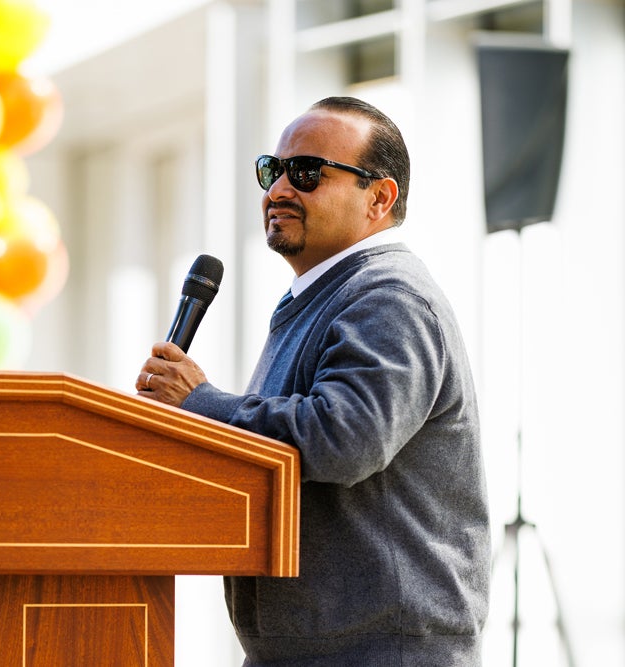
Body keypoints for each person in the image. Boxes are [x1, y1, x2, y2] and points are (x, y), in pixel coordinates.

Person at [136, 96, 490, 666]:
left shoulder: (389, 298)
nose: (277, 191)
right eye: (272, 171)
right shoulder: (324, 297)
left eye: (305, 174)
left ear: (379, 197)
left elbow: (345, 439)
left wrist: (202, 402)